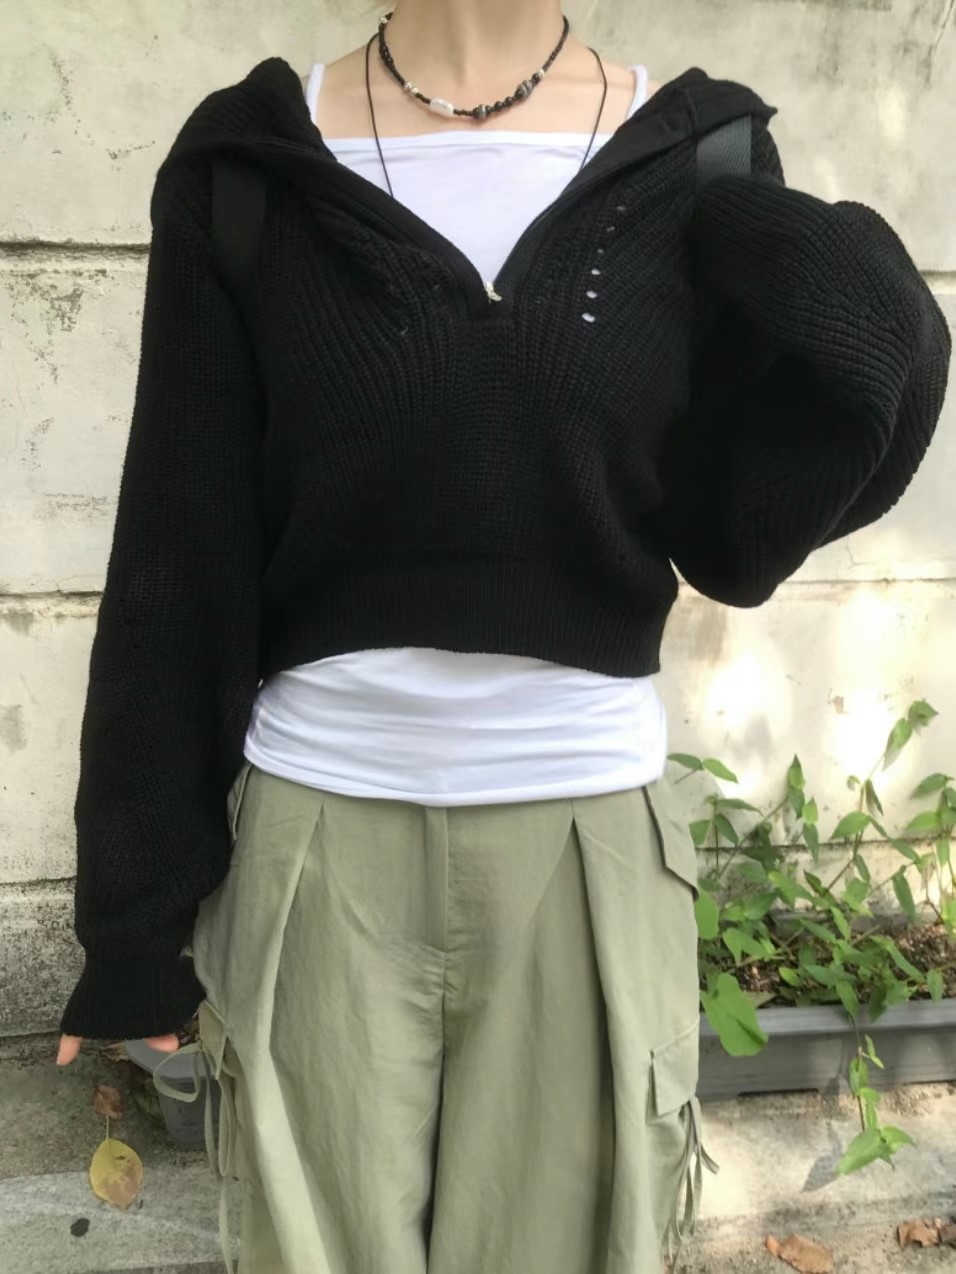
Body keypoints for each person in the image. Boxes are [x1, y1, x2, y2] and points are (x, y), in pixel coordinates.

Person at [56, 1, 951, 1271]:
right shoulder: (246, 169)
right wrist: (133, 921)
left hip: (581, 855)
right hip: (319, 859)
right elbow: (177, 549)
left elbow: (729, 541)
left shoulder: (696, 163)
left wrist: (873, 354)